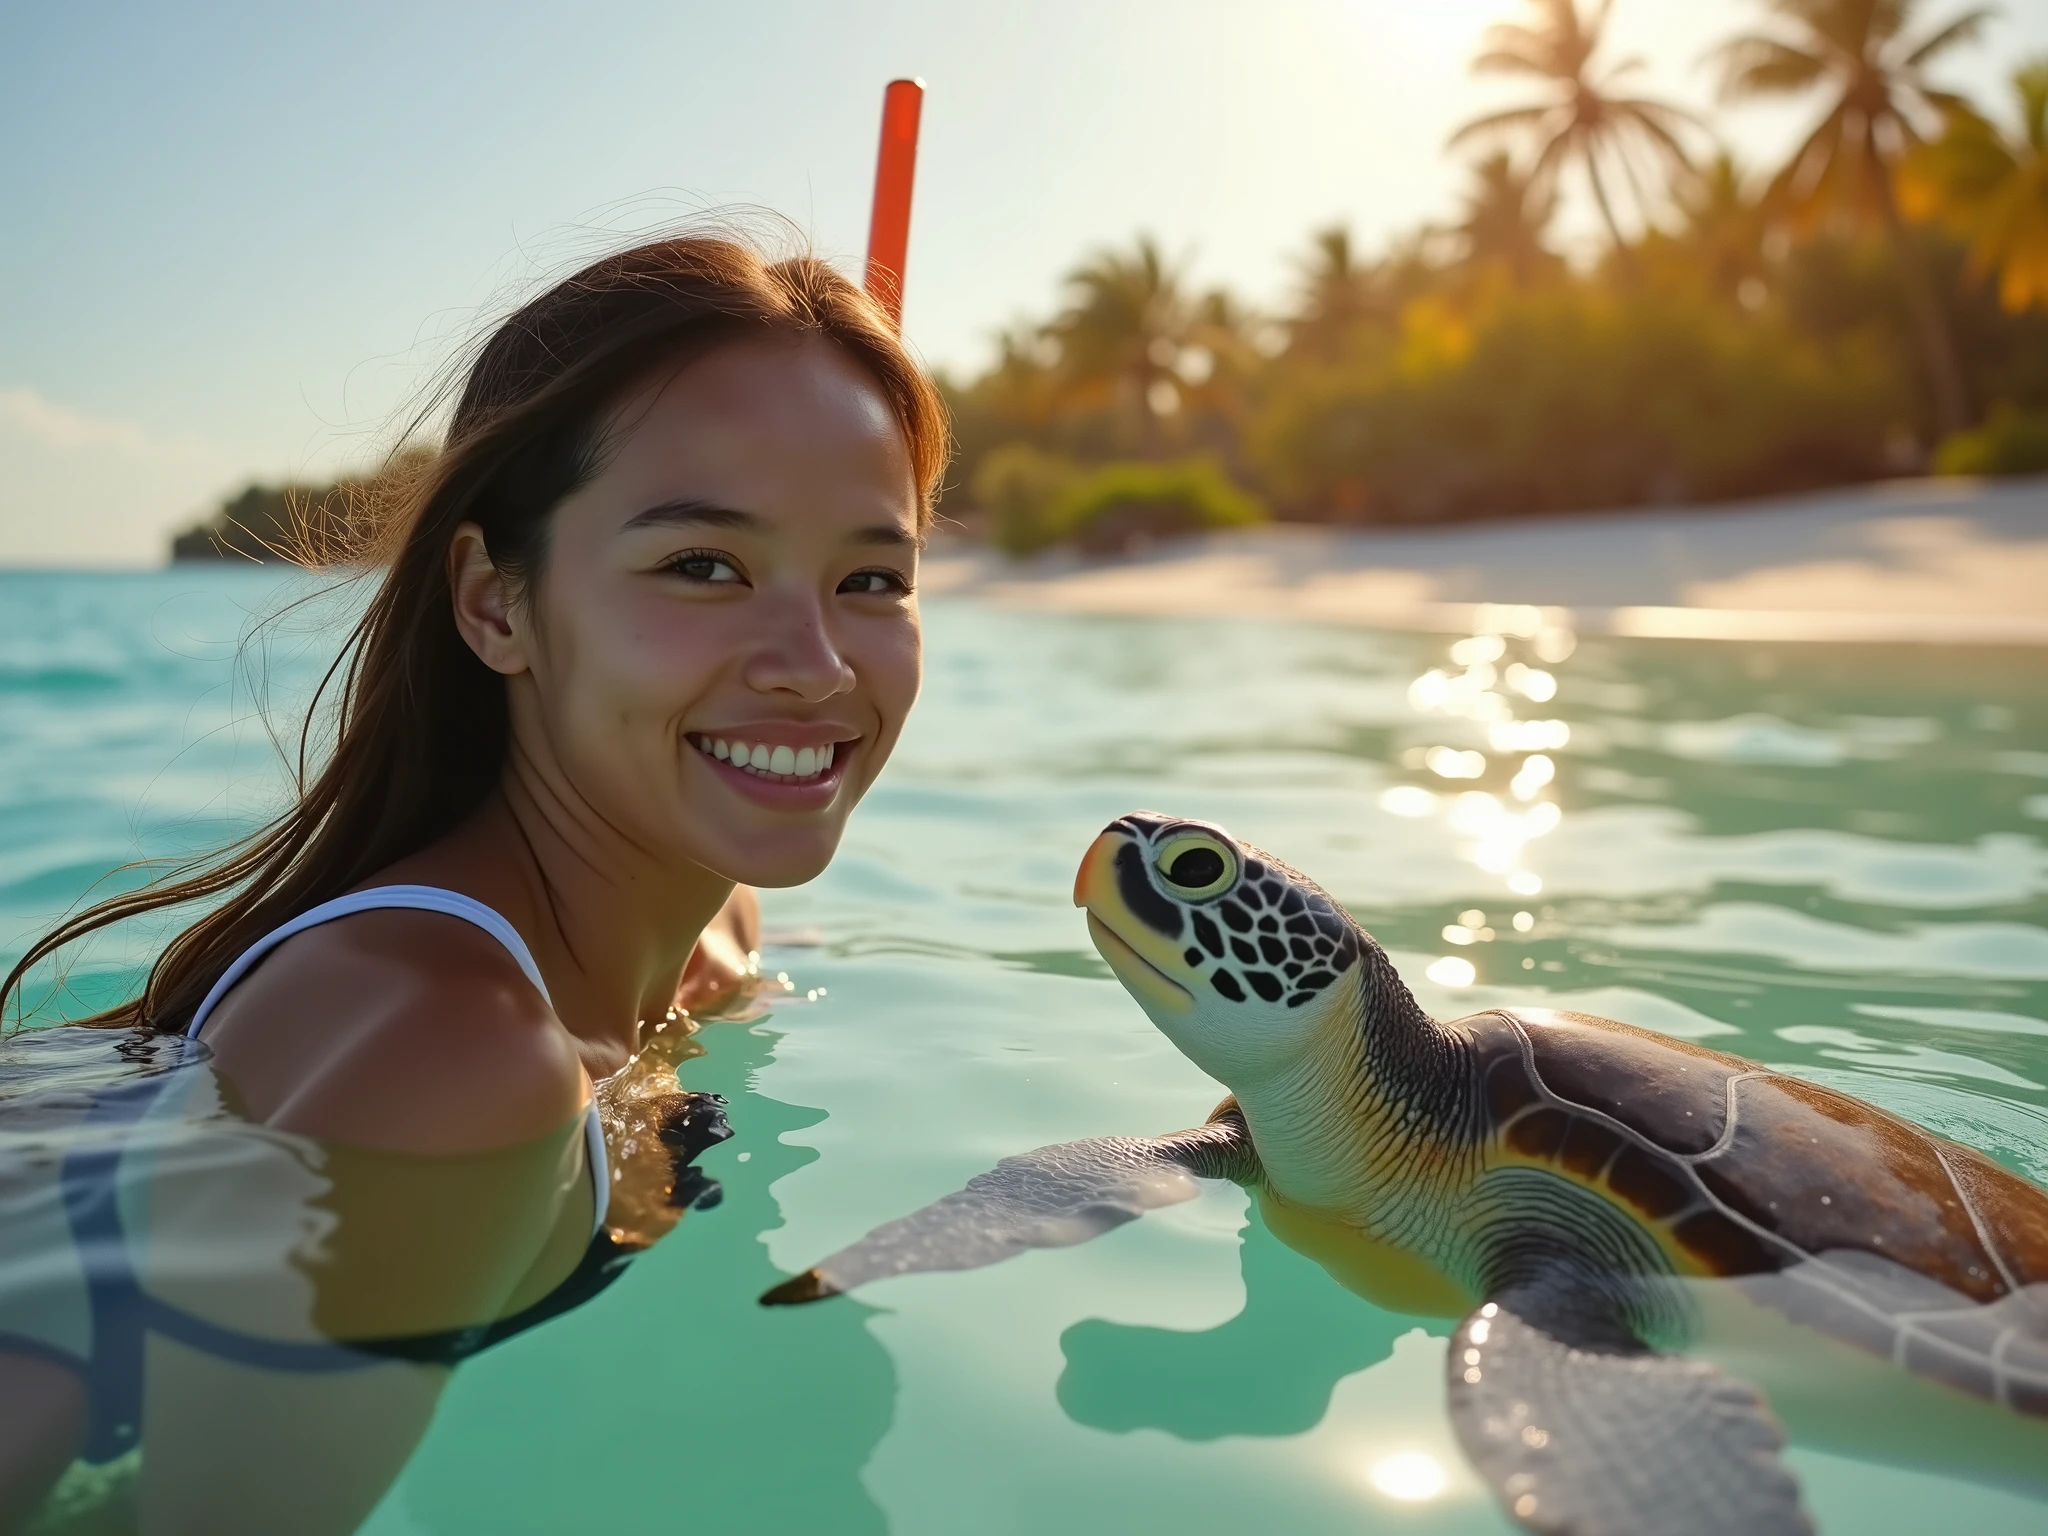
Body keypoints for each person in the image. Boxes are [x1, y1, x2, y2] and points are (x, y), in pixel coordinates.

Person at [0, 234, 948, 1533]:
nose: (816, 662)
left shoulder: (709, 921)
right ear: (497, 604)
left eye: (871, 578)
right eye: (702, 565)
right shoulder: (465, 1067)